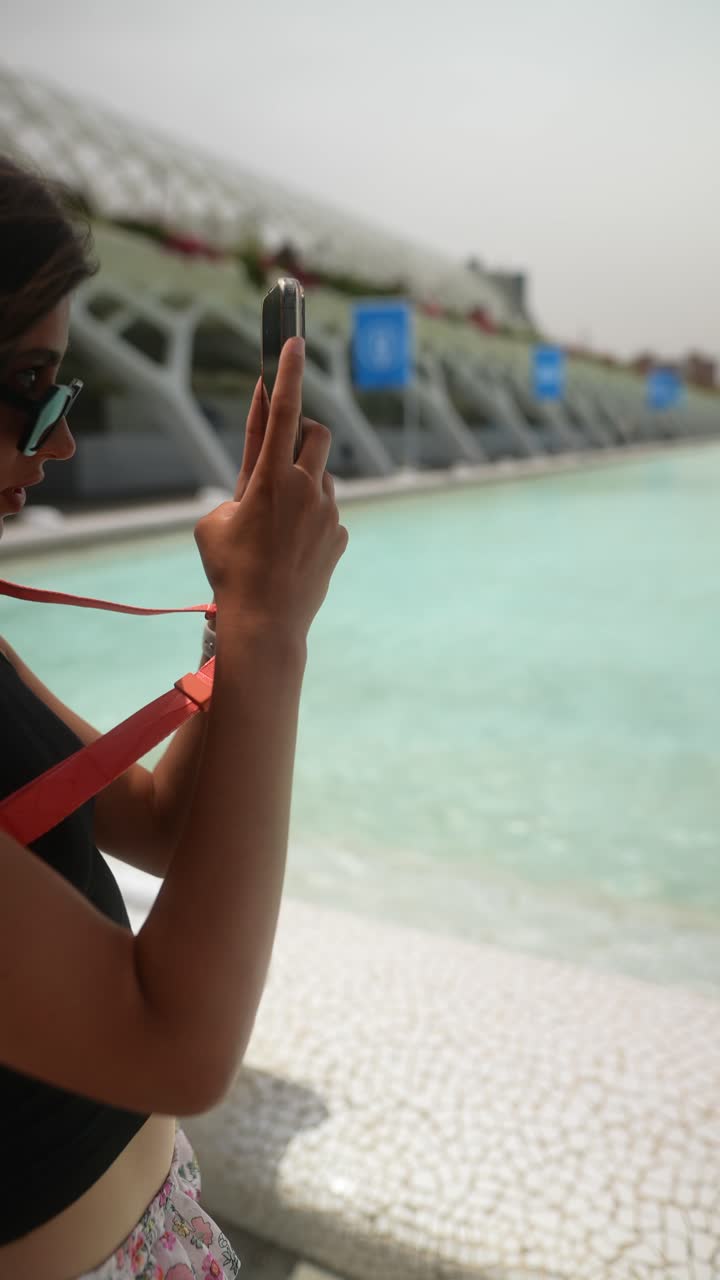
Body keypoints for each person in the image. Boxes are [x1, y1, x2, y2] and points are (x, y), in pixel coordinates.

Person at [0, 155, 348, 1279]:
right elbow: (178, 1042)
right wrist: (268, 629)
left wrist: (234, 621)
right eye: (29, 387)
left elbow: (153, 814)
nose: (54, 444)